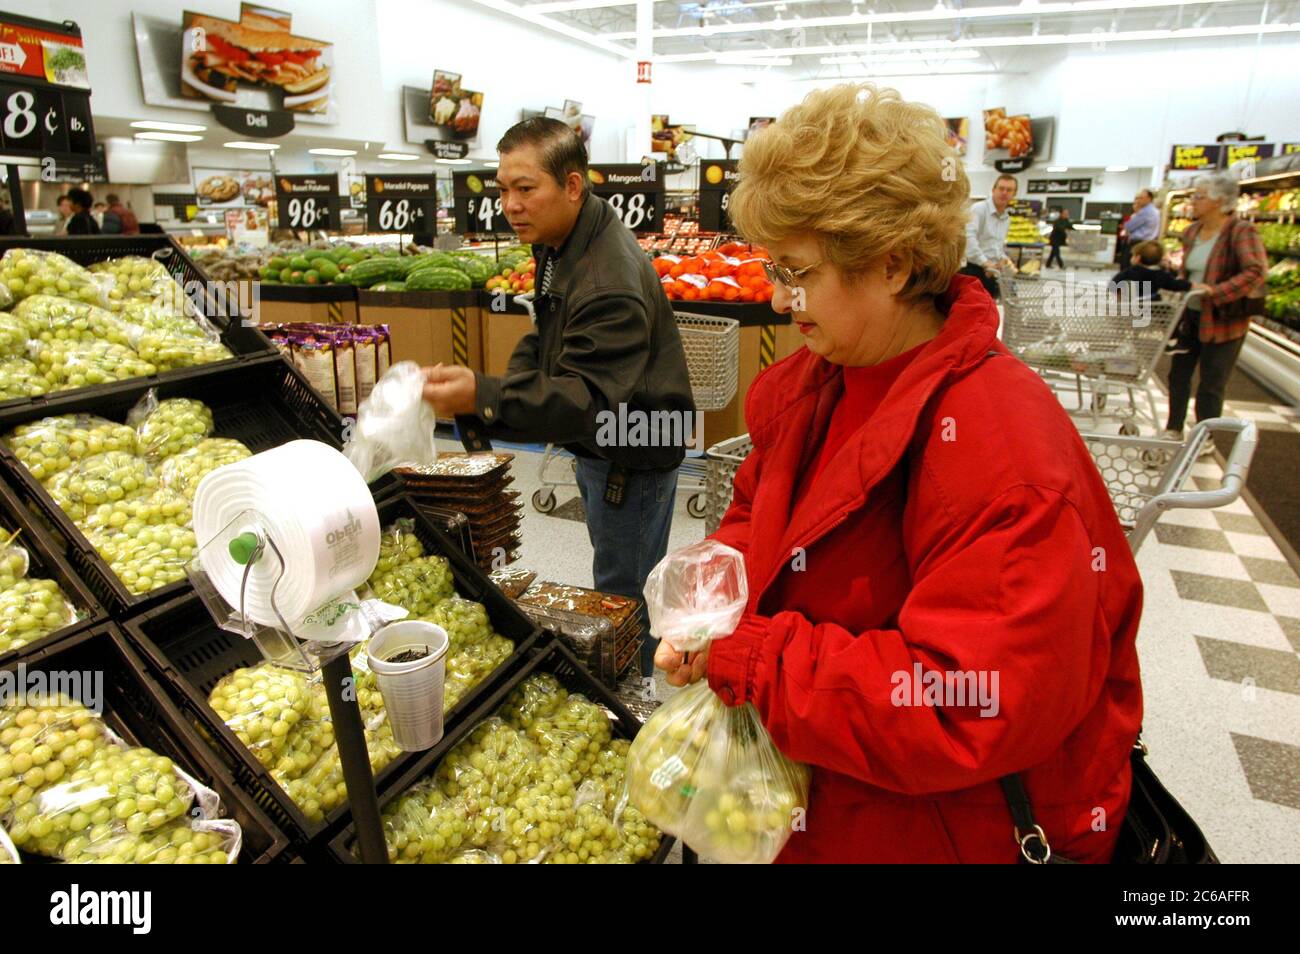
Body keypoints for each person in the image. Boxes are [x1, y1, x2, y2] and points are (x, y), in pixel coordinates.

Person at [655, 84, 1144, 864]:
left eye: (798, 271)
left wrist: (754, 660)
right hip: (831, 799)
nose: (780, 300)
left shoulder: (1002, 452)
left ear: (892, 264)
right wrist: (707, 597)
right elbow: (759, 515)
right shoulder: (817, 380)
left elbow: (963, 701)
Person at [421, 117, 695, 678]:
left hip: (631, 450)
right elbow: (547, 337)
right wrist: (492, 385)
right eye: (503, 189)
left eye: (526, 189)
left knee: (622, 597)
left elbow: (588, 401)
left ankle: (630, 703)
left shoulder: (606, 278)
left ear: (572, 186)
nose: (511, 204)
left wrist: (488, 396)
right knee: (617, 574)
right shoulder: (563, 241)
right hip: (607, 445)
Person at [1163, 173, 1266, 451]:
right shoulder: (1191, 232)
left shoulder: (1240, 231)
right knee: (1179, 374)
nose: (1193, 202)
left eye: (1199, 196)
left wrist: (1215, 291)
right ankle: (1173, 428)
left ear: (1220, 201)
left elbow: (1255, 271)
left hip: (1224, 320)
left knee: (1212, 381)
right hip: (1190, 316)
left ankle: (1205, 436)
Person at [959, 173, 1017, 299]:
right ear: (993, 190)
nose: (1004, 193)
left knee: (987, 312)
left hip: (992, 272)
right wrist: (985, 262)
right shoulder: (979, 209)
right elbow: (969, 238)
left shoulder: (1006, 218)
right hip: (974, 271)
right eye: (1001, 188)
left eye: (1009, 190)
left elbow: (997, 246)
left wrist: (1003, 259)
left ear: (1014, 194)